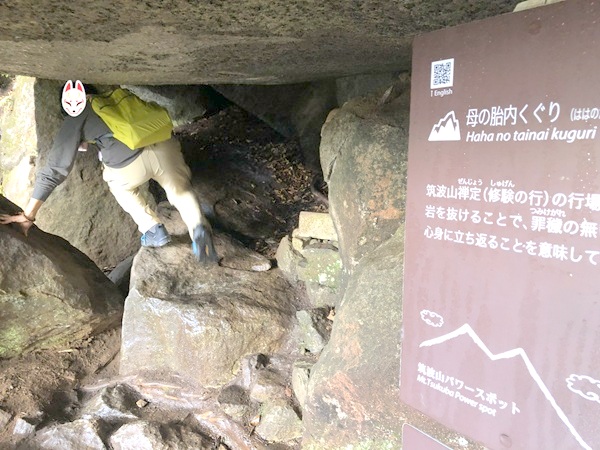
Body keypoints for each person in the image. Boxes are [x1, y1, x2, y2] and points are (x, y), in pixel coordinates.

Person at [0, 81, 217, 263]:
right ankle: (198, 225)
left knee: (120, 187)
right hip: (164, 146)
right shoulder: (118, 97)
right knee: (180, 190)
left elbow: (55, 169)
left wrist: (28, 215)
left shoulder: (77, 114)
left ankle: (152, 229)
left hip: (129, 165)